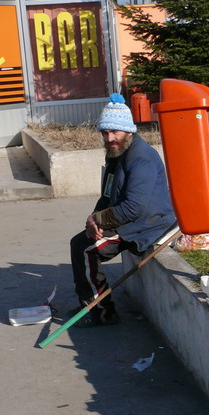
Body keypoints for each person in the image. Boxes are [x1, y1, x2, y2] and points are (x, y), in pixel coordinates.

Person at [68, 93, 176, 327]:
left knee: (85, 248)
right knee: (82, 241)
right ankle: (92, 304)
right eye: (105, 133)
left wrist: (98, 220)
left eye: (115, 132)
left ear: (129, 131)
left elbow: (134, 207)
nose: (110, 138)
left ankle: (101, 312)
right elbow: (107, 195)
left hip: (148, 223)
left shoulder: (141, 157)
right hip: (128, 218)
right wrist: (93, 220)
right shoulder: (116, 154)